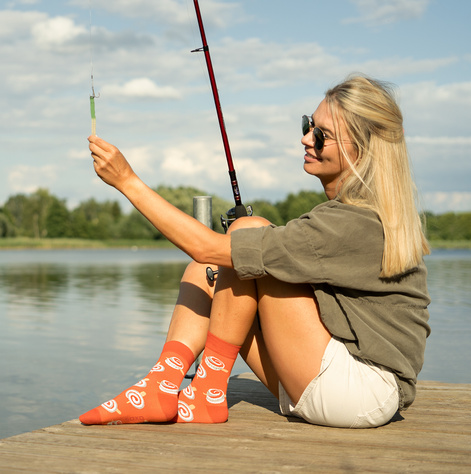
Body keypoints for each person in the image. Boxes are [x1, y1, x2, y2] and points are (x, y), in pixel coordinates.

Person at [79, 75, 430, 429]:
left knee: (245, 234)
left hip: (361, 391)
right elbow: (210, 258)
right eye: (308, 125)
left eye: (321, 135)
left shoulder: (356, 221)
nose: (306, 138)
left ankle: (203, 394)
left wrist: (127, 181)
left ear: (361, 149)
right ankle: (163, 383)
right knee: (206, 271)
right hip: (341, 387)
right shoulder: (365, 213)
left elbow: (207, 245)